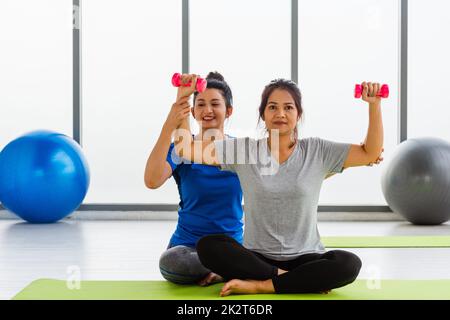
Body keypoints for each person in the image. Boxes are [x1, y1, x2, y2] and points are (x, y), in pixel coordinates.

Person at [172, 75, 384, 296]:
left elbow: (371, 152)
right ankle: (289, 280)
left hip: (305, 257)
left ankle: (262, 284)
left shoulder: (318, 151)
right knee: (209, 246)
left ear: (298, 114)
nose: (280, 114)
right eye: (272, 107)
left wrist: (374, 105)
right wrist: (183, 96)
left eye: (288, 108)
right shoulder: (245, 151)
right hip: (257, 257)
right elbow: (185, 148)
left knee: (349, 263)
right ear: (263, 114)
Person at [144, 72, 243, 286]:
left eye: (215, 104)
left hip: (230, 246)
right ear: (193, 111)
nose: (208, 110)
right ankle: (226, 269)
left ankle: (228, 266)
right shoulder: (181, 150)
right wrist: (169, 124)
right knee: (172, 262)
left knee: (261, 253)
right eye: (201, 104)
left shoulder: (241, 151)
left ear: (229, 111)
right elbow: (151, 181)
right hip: (189, 248)